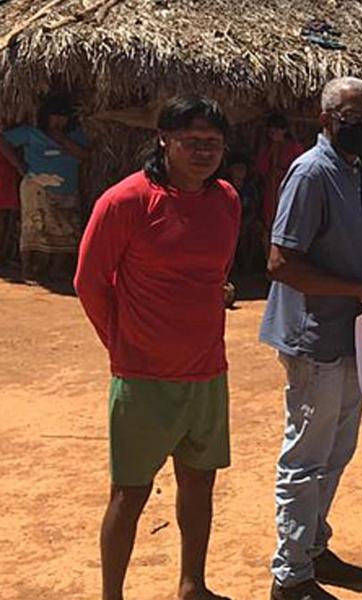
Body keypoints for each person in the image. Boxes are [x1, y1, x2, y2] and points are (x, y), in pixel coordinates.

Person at [74, 95, 239, 600]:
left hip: (207, 372)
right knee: (130, 493)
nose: (203, 151)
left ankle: (193, 585)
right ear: (163, 140)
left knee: (199, 484)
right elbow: (89, 281)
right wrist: (123, 344)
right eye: (191, 140)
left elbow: (213, 275)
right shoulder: (125, 201)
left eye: (212, 142)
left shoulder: (227, 200)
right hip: (143, 379)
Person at [259, 77, 362, 600]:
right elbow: (280, 261)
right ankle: (289, 575)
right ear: (327, 119)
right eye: (353, 118)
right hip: (315, 336)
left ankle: (312, 544)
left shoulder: (355, 171)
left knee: (338, 450)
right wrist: (356, 287)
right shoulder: (311, 172)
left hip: (355, 334)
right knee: (306, 457)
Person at [0, 96, 90, 282]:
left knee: (66, 228)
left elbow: (84, 155)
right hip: (37, 188)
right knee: (34, 226)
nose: (58, 121)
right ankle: (28, 269)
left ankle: (56, 269)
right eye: (54, 116)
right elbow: (2, 141)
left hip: (66, 189)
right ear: (45, 117)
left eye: (62, 117)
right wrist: (18, 165)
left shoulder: (75, 135)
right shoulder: (32, 133)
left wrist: (62, 139)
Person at [254, 114, 305, 236]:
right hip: (270, 191)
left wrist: (283, 173)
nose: (273, 133)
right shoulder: (267, 148)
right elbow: (260, 169)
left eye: (277, 130)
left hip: (288, 189)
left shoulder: (295, 148)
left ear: (284, 130)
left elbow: (301, 169)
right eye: (271, 131)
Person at [225, 153, 264, 275]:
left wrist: (246, 222)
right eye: (237, 169)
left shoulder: (250, 188)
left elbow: (254, 208)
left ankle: (248, 264)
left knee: (255, 231)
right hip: (229, 223)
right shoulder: (225, 188)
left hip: (247, 220)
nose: (240, 172)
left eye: (243, 169)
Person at [0, 130, 19, 265]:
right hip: (5, 179)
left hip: (7, 179)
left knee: (6, 219)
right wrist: (21, 167)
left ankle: (4, 253)